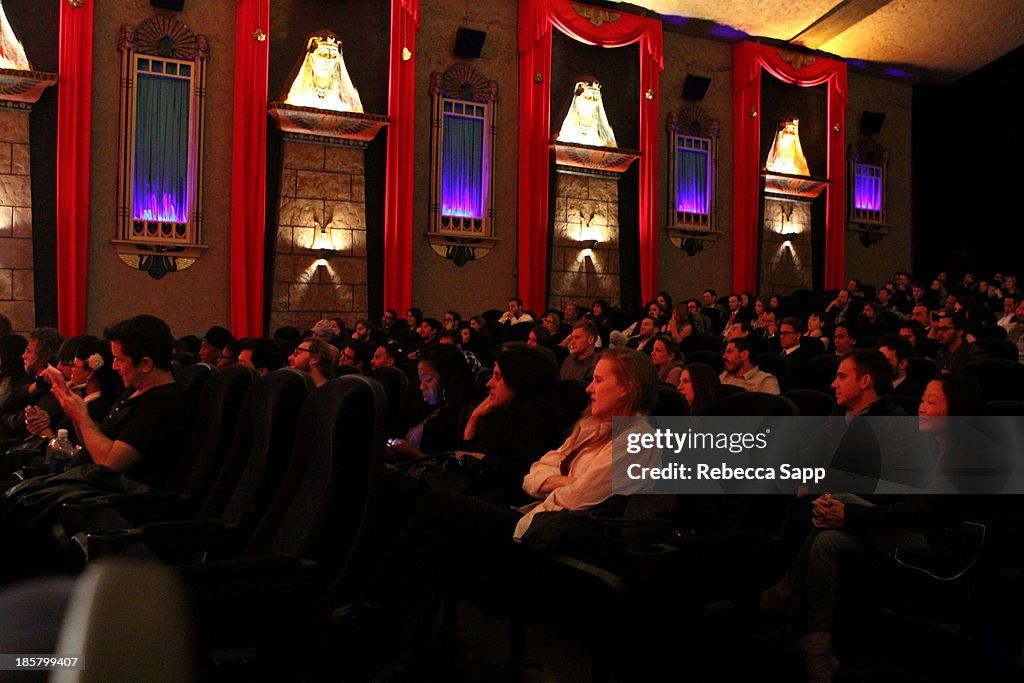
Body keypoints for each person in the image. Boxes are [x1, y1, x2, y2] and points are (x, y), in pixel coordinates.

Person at [760, 373, 984, 683]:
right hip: (911, 530)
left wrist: (849, 516)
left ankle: (788, 589)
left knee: (837, 506)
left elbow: (923, 512)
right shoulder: (928, 447)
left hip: (942, 544)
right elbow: (900, 500)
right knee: (829, 540)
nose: (921, 407)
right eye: (922, 399)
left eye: (931, 402)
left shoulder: (968, 456)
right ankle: (818, 645)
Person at [51, 315, 187, 489]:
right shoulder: (134, 391)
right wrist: (74, 411)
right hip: (86, 483)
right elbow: (95, 448)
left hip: (117, 501)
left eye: (120, 360)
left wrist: (81, 415)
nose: (114, 366)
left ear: (145, 364)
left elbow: (110, 464)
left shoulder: (160, 402)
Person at [385, 344, 474, 461]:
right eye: (420, 380)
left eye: (428, 380)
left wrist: (414, 454)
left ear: (448, 380)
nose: (422, 386)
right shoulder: (422, 406)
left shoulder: (464, 417)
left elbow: (451, 471)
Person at [284, 30, 363, 113]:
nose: (328, 59)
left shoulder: (346, 100)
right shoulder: (296, 96)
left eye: (333, 55)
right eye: (323, 54)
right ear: (311, 57)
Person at [555, 77, 617, 147]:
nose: (591, 103)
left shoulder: (602, 135)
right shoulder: (565, 130)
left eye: (595, 99)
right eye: (587, 97)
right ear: (576, 100)